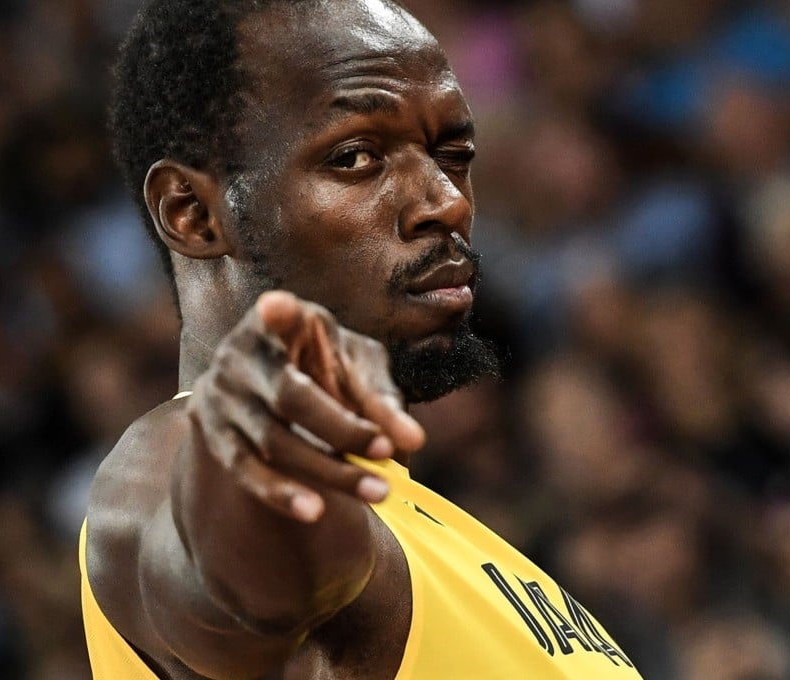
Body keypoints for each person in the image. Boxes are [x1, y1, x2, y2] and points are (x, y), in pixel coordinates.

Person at [81, 1, 645, 678]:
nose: (446, 201)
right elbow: (220, 583)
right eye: (356, 157)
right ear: (194, 213)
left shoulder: (434, 529)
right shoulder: (172, 465)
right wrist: (245, 476)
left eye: (453, 154)